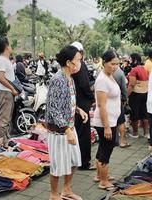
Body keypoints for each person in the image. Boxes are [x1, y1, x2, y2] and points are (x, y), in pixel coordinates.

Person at [46, 45, 87, 200]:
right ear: (69, 62)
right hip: (58, 130)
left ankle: (66, 190)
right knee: (57, 165)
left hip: (68, 126)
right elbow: (54, 108)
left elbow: (67, 101)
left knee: (74, 160)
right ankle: (54, 194)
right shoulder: (58, 79)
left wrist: (78, 110)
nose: (80, 63)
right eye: (78, 60)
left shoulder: (70, 78)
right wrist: (67, 130)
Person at [92, 50, 121, 190]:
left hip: (111, 120)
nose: (115, 66)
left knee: (103, 149)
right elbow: (101, 105)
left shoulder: (109, 76)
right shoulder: (103, 79)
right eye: (112, 64)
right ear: (104, 63)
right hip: (105, 121)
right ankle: (103, 182)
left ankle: (99, 176)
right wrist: (107, 127)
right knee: (106, 151)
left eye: (117, 64)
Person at [71, 41, 95, 170]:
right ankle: (84, 162)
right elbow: (85, 85)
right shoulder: (81, 64)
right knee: (83, 133)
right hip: (82, 103)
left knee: (75, 131)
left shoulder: (70, 66)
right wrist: (92, 97)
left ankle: (75, 160)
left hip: (73, 102)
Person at [0, 37, 18, 146]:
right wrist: (12, 88)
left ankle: (6, 142)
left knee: (7, 119)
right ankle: (0, 144)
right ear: (6, 46)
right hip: (5, 93)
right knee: (3, 120)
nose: (11, 46)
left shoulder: (6, 60)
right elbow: (0, 77)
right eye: (10, 44)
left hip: (8, 92)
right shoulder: (1, 60)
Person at [127, 53, 149, 138]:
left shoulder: (134, 70)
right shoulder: (144, 69)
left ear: (135, 60)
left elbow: (132, 84)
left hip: (135, 94)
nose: (129, 61)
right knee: (144, 112)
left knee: (134, 113)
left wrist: (127, 95)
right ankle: (146, 133)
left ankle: (135, 133)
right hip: (145, 93)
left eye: (130, 59)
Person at [113, 64, 130, 148]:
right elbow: (124, 87)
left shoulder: (102, 72)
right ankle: (122, 141)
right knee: (120, 121)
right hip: (117, 100)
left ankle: (114, 141)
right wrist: (125, 98)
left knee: (112, 121)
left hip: (108, 101)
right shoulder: (119, 72)